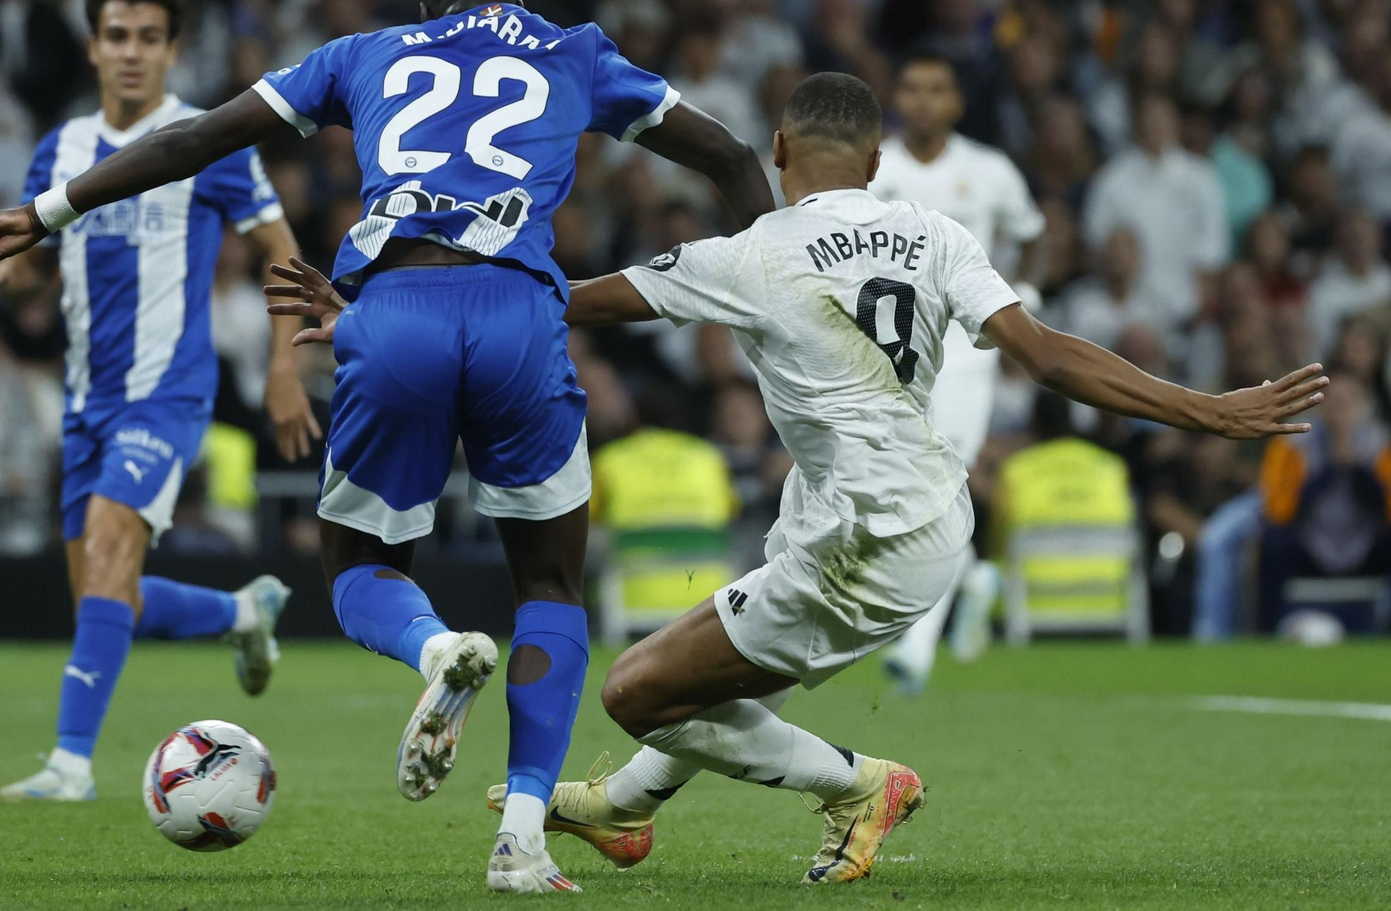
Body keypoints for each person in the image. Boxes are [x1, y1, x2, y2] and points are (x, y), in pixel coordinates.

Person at [265, 71, 1323, 888]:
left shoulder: (749, 254)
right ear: (873, 160)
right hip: (920, 510)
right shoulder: (935, 230)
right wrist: (1209, 406)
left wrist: (371, 312)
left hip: (859, 539)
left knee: (640, 689)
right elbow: (1045, 354)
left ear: (777, 150)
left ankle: (863, 784)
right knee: (716, 673)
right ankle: (626, 806)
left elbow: (563, 302)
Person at [0, 0, 773, 893]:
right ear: (512, 1)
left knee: (360, 568)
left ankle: (434, 648)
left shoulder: (363, 53)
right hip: (519, 316)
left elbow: (196, 138)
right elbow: (729, 153)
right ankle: (524, 835)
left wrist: (45, 212)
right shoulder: (574, 48)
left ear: (427, 12)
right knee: (548, 584)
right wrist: (775, 287)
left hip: (390, 314)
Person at [0, 0, 319, 803]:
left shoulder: (204, 138)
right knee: (103, 593)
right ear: (92, 47)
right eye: (117, 35)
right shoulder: (64, 150)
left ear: (172, 51)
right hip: (88, 399)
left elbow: (282, 250)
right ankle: (241, 614)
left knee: (115, 551)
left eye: (149, 39)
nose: (132, 53)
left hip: (168, 393)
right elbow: (37, 262)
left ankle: (70, 766)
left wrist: (281, 363)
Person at [869, 51, 1045, 692]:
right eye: (910, 87)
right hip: (890, 348)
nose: (922, 100)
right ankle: (971, 578)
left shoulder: (990, 171)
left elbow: (1033, 233)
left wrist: (1024, 291)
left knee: (945, 481)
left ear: (955, 103)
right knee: (902, 481)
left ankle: (916, 647)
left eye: (935, 89)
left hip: (968, 349)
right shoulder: (874, 167)